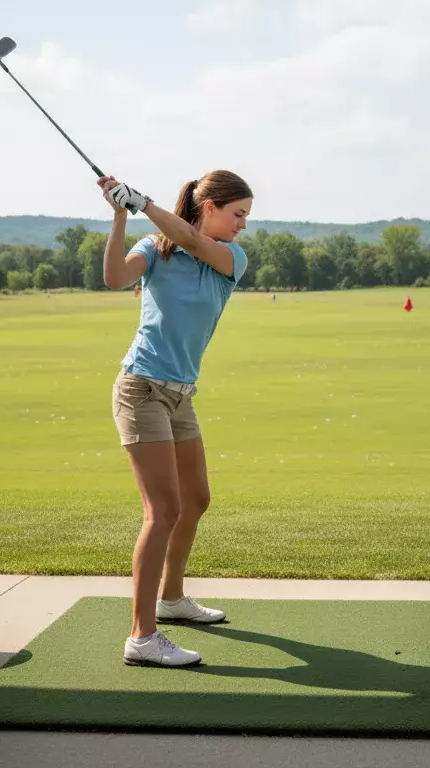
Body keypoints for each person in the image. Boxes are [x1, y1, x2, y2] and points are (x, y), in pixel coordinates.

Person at [97, 170, 253, 667]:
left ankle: (171, 598)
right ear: (210, 207)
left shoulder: (231, 259)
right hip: (141, 388)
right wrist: (121, 215)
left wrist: (142, 201)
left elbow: (191, 240)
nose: (243, 225)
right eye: (237, 214)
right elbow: (114, 278)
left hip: (180, 395)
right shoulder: (154, 248)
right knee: (162, 510)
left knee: (196, 499)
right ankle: (142, 637)